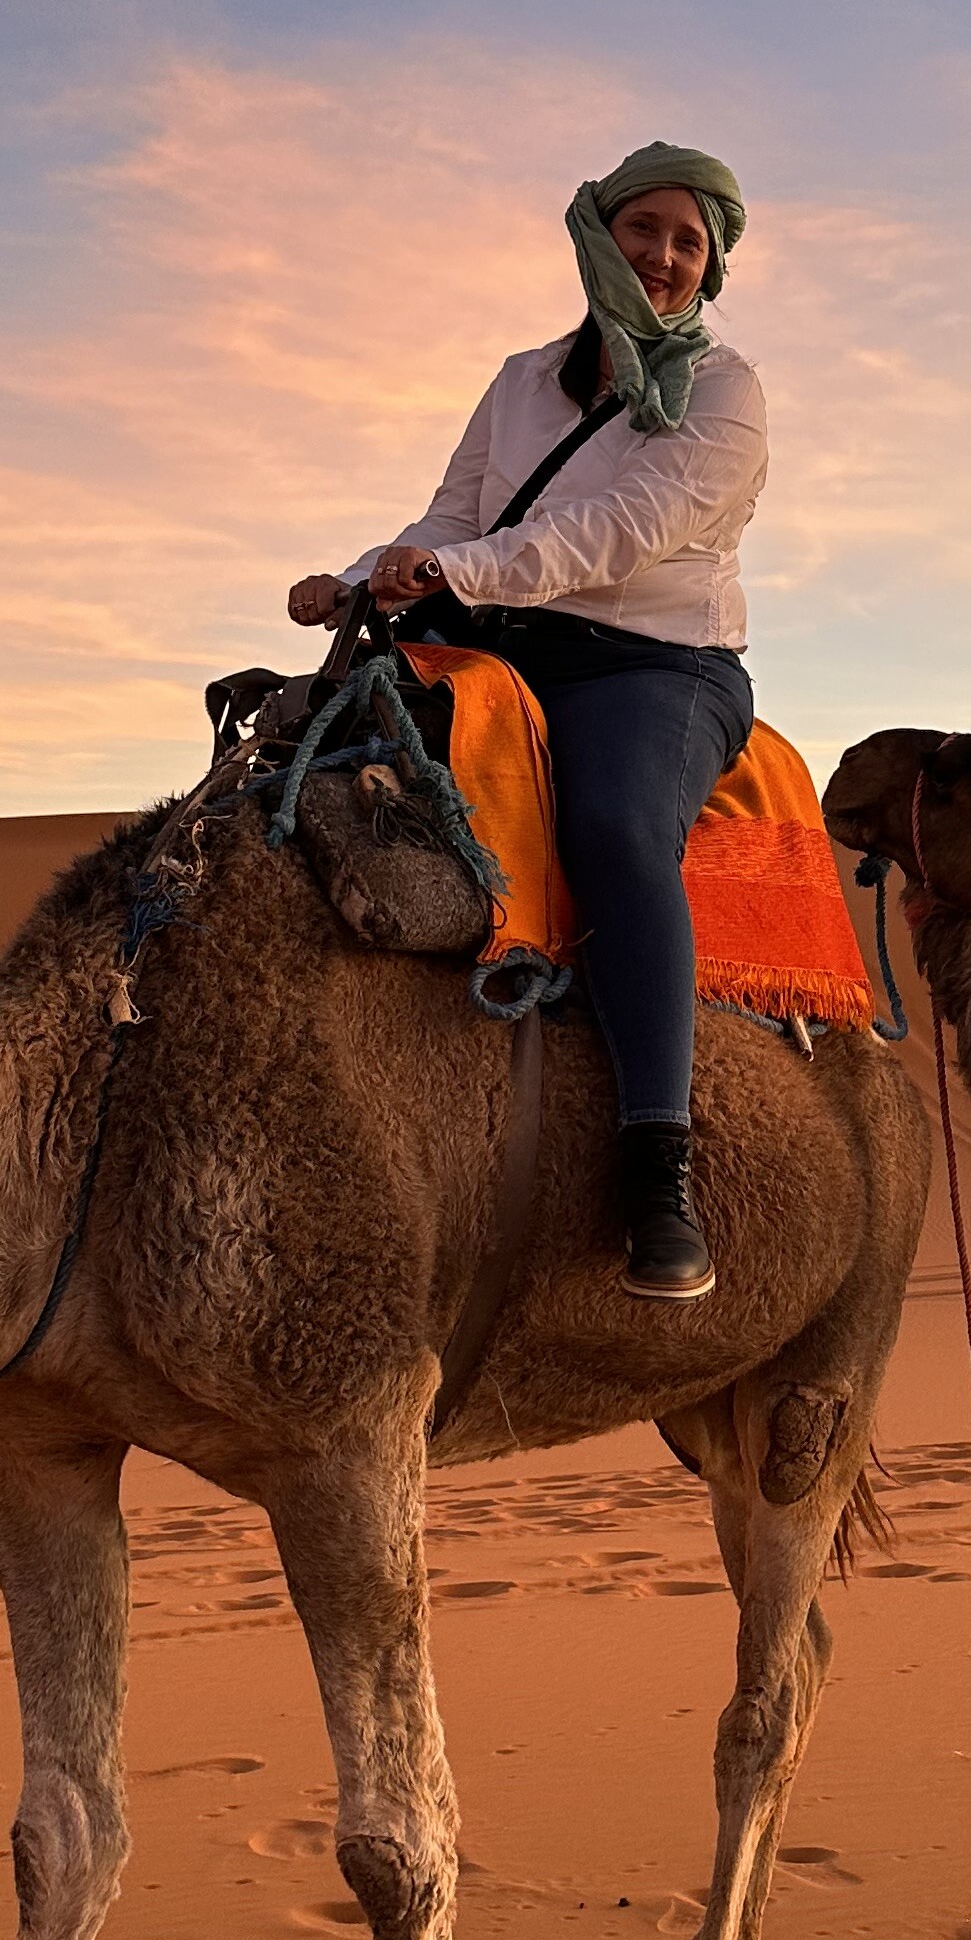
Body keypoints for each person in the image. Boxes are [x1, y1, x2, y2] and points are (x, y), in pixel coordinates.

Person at [287, 138, 766, 1299]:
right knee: (300, 764)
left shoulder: (725, 393)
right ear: (597, 234)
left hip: (652, 664)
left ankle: (659, 1164)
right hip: (498, 641)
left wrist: (453, 577)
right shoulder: (520, 380)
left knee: (610, 830)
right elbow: (454, 511)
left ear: (710, 269)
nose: (661, 256)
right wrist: (359, 579)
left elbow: (618, 536)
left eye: (687, 242)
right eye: (642, 228)